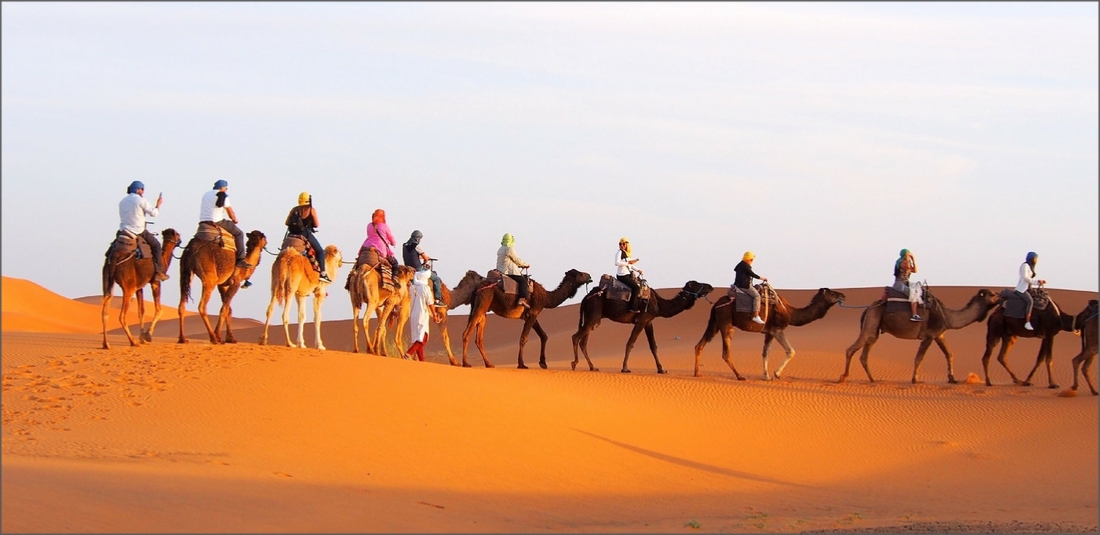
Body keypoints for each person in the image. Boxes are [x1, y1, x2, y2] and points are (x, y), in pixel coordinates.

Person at [118, 180, 169, 281]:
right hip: (138, 230)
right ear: (138, 190)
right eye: (142, 190)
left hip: (123, 230)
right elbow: (154, 213)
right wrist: (158, 204)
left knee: (114, 246)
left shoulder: (122, 201)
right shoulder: (140, 200)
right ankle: (159, 272)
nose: (143, 192)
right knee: (156, 246)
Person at [199, 179, 250, 268]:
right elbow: (230, 213)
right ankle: (240, 259)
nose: (226, 190)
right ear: (222, 188)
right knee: (239, 234)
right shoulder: (224, 196)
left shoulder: (206, 194)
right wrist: (235, 220)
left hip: (203, 221)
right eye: (226, 188)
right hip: (217, 221)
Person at [284, 192, 331, 283]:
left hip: (291, 234)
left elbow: (286, 223)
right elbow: (316, 225)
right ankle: (323, 273)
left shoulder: (294, 210)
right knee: (320, 251)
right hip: (304, 233)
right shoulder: (311, 210)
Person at [402, 230, 445, 307]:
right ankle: (438, 300)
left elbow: (411, 255)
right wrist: (425, 261)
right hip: (418, 269)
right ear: (417, 238)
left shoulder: (404, 246)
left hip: (408, 268)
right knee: (436, 279)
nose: (420, 241)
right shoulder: (416, 246)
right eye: (420, 239)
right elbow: (425, 258)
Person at [405, 268, 433, 362]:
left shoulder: (412, 287)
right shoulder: (425, 288)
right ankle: (409, 353)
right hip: (422, 314)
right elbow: (430, 303)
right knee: (423, 338)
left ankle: (422, 361)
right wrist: (435, 314)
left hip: (413, 315)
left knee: (419, 337)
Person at [496, 233, 531, 308]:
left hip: (500, 270)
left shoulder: (501, 249)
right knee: (523, 281)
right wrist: (525, 265)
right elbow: (516, 259)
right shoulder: (509, 249)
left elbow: (509, 260)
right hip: (508, 272)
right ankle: (522, 299)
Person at [734, 251, 768, 324]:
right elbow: (752, 274)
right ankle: (756, 316)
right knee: (757, 296)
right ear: (748, 259)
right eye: (751, 260)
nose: (752, 261)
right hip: (744, 286)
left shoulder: (740, 265)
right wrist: (763, 278)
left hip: (738, 284)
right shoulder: (745, 266)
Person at [362, 209, 399, 276]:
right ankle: (394, 279)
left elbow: (369, 235)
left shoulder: (369, 225)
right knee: (395, 264)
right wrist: (393, 243)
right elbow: (391, 237)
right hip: (380, 248)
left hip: (366, 246)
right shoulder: (384, 226)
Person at [1015, 251, 1046, 331]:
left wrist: (1039, 282)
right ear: (1031, 258)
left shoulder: (1030, 267)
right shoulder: (1025, 266)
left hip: (1029, 288)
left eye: (1036, 259)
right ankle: (1027, 322)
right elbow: (1026, 278)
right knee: (1030, 301)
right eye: (1035, 258)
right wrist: (1037, 281)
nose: (1036, 260)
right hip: (1021, 289)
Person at [615, 237, 644, 312]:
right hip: (622, 275)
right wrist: (628, 263)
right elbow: (617, 263)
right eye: (620, 244)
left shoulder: (627, 254)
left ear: (627, 245)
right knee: (636, 288)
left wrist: (638, 270)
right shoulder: (620, 252)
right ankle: (632, 307)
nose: (621, 245)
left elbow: (630, 265)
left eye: (623, 244)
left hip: (627, 274)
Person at [893, 248, 922, 322]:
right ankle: (914, 315)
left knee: (918, 291)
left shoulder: (907, 262)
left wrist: (913, 258)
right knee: (913, 294)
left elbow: (915, 270)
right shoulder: (901, 262)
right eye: (908, 254)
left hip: (906, 283)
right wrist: (909, 257)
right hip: (899, 283)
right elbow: (908, 266)